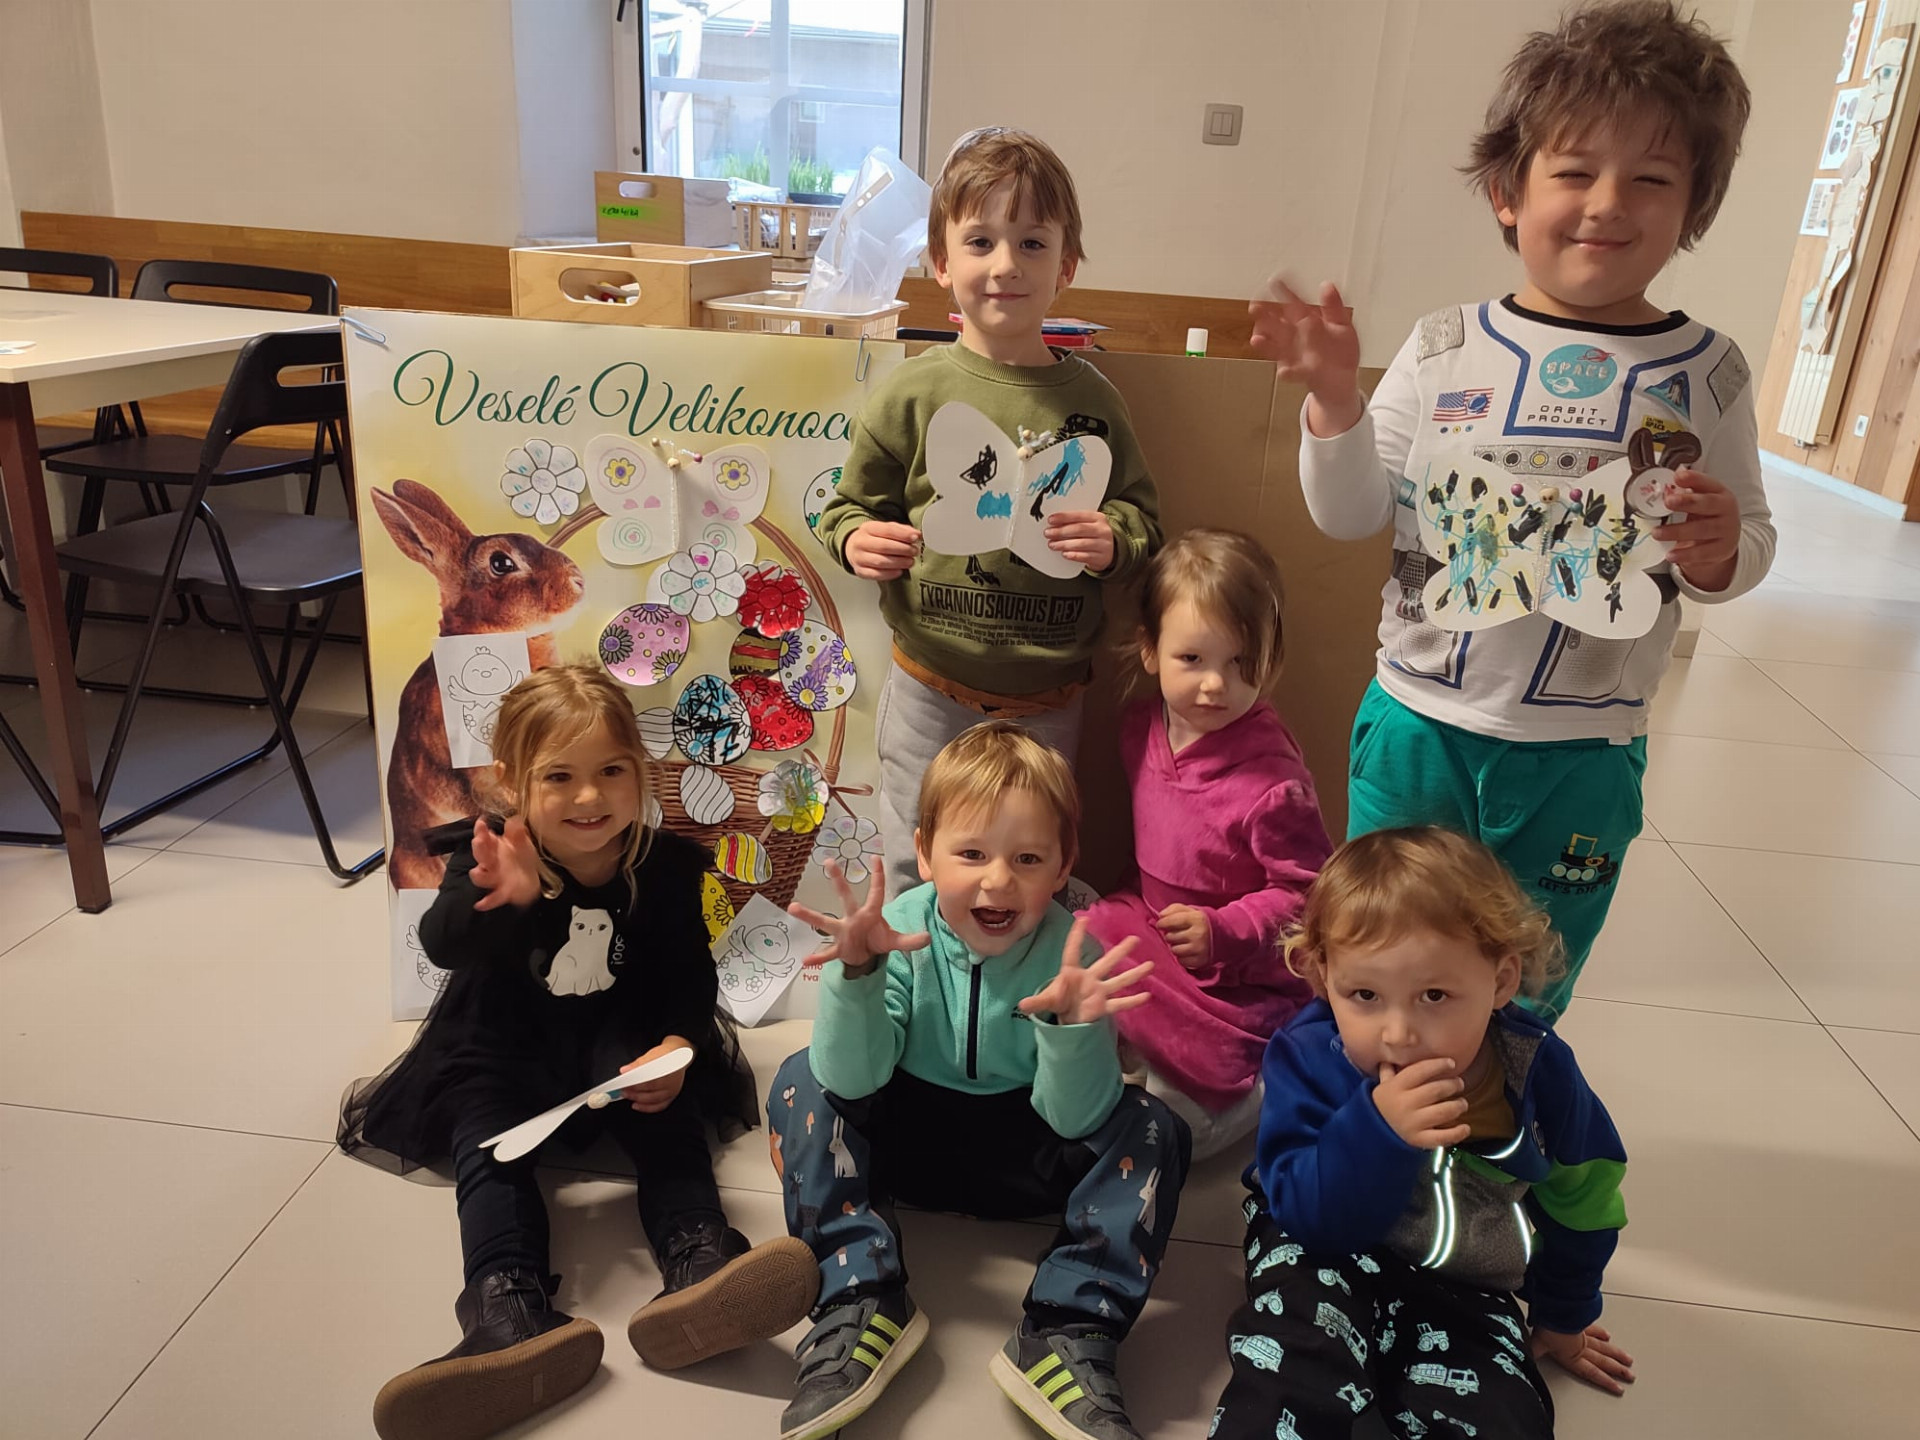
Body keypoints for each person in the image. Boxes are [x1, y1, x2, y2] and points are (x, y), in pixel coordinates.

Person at [1248, 0, 1770, 1019]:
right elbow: (1351, 515)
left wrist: (1719, 551)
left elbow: (1748, 539)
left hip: (1585, 752)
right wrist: (1336, 404)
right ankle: (1372, 1101)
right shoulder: (1444, 346)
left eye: (1651, 179)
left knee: (1528, 982)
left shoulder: (1709, 372)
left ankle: (1502, 1107)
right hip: (1420, 726)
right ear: (1507, 191)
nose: (1606, 204)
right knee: (1385, 959)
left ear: (1694, 205)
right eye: (1574, 171)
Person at [338, 665, 816, 1440]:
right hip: (502, 1043)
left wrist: (678, 1045)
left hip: (621, 1039)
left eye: (611, 772)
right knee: (488, 1149)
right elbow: (443, 943)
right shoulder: (487, 853)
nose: (589, 797)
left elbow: (689, 975)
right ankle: (506, 1306)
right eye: (559, 777)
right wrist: (506, 899)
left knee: (671, 1124)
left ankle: (702, 1261)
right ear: (513, 782)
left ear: (640, 771)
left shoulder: (663, 867)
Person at [768, 722, 1191, 1440]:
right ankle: (858, 1297)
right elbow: (850, 1079)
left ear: (1063, 866)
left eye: (1028, 858)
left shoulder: (1074, 956)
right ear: (925, 853)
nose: (998, 880)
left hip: (1028, 1156)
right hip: (905, 1148)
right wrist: (859, 976)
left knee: (1157, 1128)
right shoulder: (899, 930)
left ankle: (1067, 1330)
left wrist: (1071, 1030)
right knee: (800, 1079)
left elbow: (1077, 1120)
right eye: (971, 854)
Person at [817, 126, 1163, 901]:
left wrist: (1113, 541)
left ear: (1065, 265)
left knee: (1026, 872)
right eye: (981, 241)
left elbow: (1145, 525)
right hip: (928, 691)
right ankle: (915, 979)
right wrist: (857, 538)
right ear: (941, 262)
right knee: (916, 864)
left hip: (1050, 702)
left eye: (1032, 243)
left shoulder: (1095, 402)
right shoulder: (911, 391)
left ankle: (1009, 981)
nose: (1006, 264)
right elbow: (846, 508)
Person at [1210, 827, 1631, 1440]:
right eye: (1365, 994)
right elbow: (1304, 1213)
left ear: (1501, 982)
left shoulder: (1537, 1072)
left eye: (1434, 995)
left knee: (1502, 1416)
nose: (1398, 1032)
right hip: (1319, 1254)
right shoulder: (1309, 1055)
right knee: (1290, 1368)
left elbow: (1584, 1199)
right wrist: (1378, 1130)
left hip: (1467, 1282)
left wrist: (1564, 1313)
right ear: (1323, 977)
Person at [1080, 530, 1331, 1159]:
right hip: (1156, 928)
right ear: (1150, 650)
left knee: (1183, 1131)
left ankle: (1261, 1086)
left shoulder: (1274, 782)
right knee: (1085, 934)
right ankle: (1131, 1055)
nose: (1216, 684)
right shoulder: (1140, 728)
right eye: (1192, 659)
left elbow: (1309, 897)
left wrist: (1225, 931)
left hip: (1234, 973)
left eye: (1241, 663)